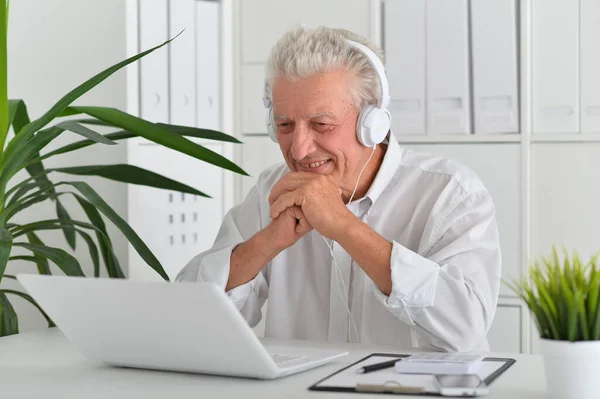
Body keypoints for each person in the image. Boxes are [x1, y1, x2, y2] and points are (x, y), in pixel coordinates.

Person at [176, 26, 501, 352]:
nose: (299, 150)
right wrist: (268, 241)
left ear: (372, 122)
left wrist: (344, 227)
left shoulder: (451, 194)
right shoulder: (271, 191)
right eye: (285, 125)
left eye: (322, 125)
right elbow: (188, 318)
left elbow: (465, 327)